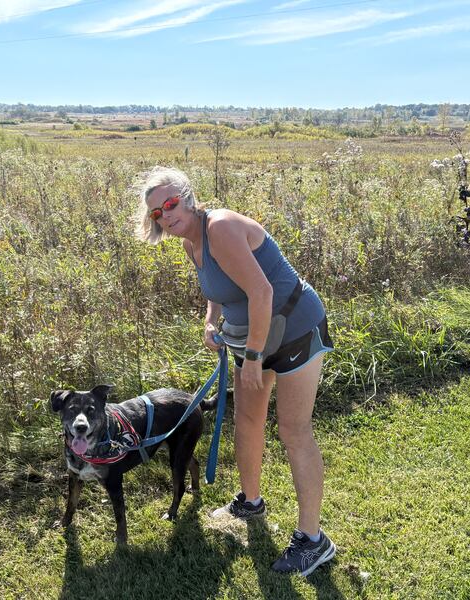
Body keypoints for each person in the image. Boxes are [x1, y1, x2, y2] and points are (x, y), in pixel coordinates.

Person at [133, 166, 336, 576]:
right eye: (157, 212)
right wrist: (212, 321)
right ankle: (250, 501)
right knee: (246, 420)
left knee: (293, 431)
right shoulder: (191, 243)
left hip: (295, 327)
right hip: (254, 335)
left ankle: (314, 541)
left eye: (170, 203)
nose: (166, 215)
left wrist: (256, 357)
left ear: (189, 198)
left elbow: (261, 290)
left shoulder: (220, 227)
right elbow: (219, 292)